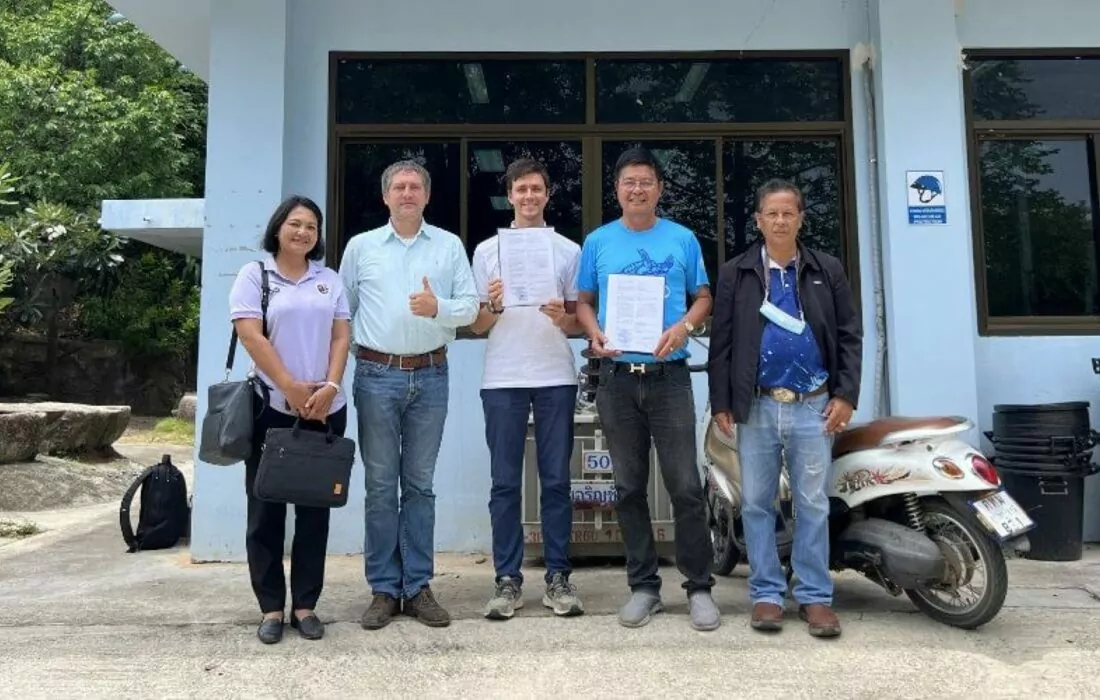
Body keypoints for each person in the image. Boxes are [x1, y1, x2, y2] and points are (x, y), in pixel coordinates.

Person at [707, 178, 862, 639]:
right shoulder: (736, 273)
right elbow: (722, 342)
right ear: (758, 220)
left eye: (787, 213)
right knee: (757, 503)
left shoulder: (826, 269)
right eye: (771, 214)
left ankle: (814, 596)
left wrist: (846, 395)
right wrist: (722, 402)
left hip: (814, 406)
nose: (779, 221)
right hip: (756, 406)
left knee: (812, 503)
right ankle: (767, 593)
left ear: (800, 219)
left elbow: (849, 335)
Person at [575, 146, 719, 632]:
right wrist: (594, 332)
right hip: (617, 379)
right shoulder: (598, 242)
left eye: (645, 182)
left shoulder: (682, 239)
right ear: (617, 190)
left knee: (685, 486)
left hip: (669, 378)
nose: (636, 190)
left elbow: (703, 297)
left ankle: (699, 587)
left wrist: (684, 327)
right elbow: (584, 301)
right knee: (628, 488)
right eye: (628, 182)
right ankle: (644, 587)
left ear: (659, 188)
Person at [339, 160, 479, 630]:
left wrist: (438, 307)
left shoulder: (448, 245)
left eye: (415, 186)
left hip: (431, 375)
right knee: (381, 486)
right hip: (376, 375)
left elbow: (471, 308)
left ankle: (417, 586)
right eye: (398, 186)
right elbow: (343, 313)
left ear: (427, 195)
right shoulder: (361, 247)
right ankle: (383, 588)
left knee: (419, 485)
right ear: (385, 196)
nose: (406, 193)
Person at [228, 195, 352, 644]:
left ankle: (305, 606)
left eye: (312, 227)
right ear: (278, 227)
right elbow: (251, 336)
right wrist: (290, 387)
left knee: (315, 511)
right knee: (265, 510)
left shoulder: (329, 280)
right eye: (295, 224)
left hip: (326, 409)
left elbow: (341, 337)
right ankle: (270, 608)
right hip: (271, 409)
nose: (303, 232)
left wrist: (330, 386)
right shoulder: (254, 275)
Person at [468, 158, 585, 620]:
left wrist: (563, 318)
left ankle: (558, 577)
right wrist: (494, 306)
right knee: (504, 483)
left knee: (556, 481)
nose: (529, 196)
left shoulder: (568, 250)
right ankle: (507, 579)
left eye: (537, 188)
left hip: (555, 373)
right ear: (510, 195)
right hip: (503, 376)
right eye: (521, 189)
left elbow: (578, 321)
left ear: (547, 194)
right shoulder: (486, 251)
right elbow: (478, 325)